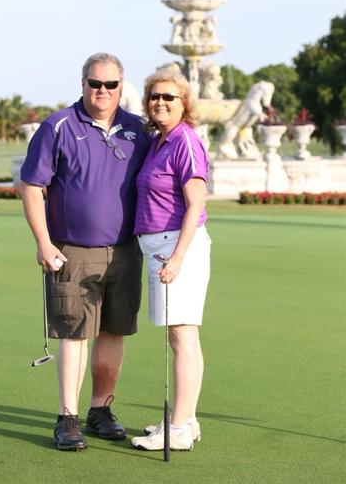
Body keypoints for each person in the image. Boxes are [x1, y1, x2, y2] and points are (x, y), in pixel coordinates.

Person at [20, 52, 150, 451]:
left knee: (114, 331)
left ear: (121, 85)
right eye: (95, 84)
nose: (103, 92)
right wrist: (43, 242)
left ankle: (100, 410)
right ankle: (67, 418)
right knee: (75, 335)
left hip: (126, 250)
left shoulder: (137, 130)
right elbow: (31, 186)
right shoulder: (58, 125)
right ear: (83, 85)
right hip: (71, 250)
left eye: (111, 85)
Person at [131, 69, 211, 452]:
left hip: (176, 246)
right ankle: (187, 420)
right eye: (154, 97)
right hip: (158, 245)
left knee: (182, 336)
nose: (160, 102)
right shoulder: (158, 141)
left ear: (184, 103)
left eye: (169, 97)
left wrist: (178, 257)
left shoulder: (185, 141)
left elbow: (196, 204)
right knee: (180, 335)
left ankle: (178, 427)